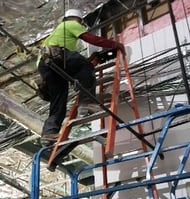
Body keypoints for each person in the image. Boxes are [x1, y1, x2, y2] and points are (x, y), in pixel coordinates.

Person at [37, 8, 125, 145]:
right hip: (56, 56)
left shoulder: (56, 33)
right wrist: (115, 44)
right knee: (86, 67)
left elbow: (72, 62)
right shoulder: (70, 24)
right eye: (81, 22)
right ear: (78, 19)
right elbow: (91, 38)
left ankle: (49, 133)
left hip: (45, 65)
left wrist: (86, 60)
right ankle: (86, 103)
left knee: (58, 99)